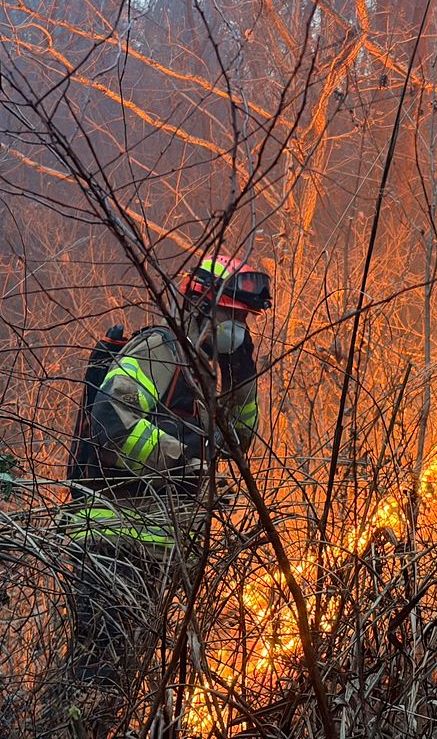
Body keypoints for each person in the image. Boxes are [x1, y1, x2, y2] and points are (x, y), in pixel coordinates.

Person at [65, 254, 272, 736]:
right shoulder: (161, 348)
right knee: (96, 685)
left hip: (156, 548)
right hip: (112, 541)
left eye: (244, 320)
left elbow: (237, 443)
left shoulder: (201, 369)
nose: (237, 327)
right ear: (202, 306)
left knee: (119, 691)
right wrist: (182, 459)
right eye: (232, 317)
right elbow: (110, 422)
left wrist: (241, 374)